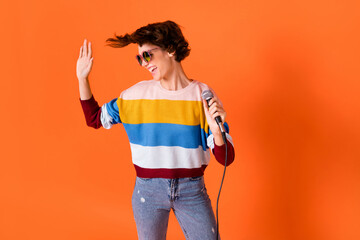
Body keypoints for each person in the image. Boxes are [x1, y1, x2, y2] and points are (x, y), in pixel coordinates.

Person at [76, 20, 235, 240]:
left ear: (170, 49)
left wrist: (217, 133)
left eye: (147, 55)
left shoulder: (202, 94)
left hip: (192, 191)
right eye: (139, 58)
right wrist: (82, 79)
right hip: (147, 193)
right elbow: (94, 118)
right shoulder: (134, 96)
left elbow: (227, 159)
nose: (144, 63)